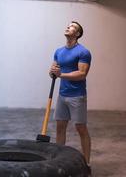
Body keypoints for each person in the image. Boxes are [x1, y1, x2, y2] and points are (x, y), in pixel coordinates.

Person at [49, 21, 92, 176]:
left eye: (72, 26)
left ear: (78, 33)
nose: (68, 27)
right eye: (68, 25)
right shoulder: (59, 51)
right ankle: (59, 163)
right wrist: (53, 72)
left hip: (77, 96)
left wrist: (62, 75)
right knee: (60, 127)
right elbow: (54, 70)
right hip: (62, 95)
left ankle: (87, 164)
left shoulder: (83, 52)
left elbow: (82, 74)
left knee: (81, 128)